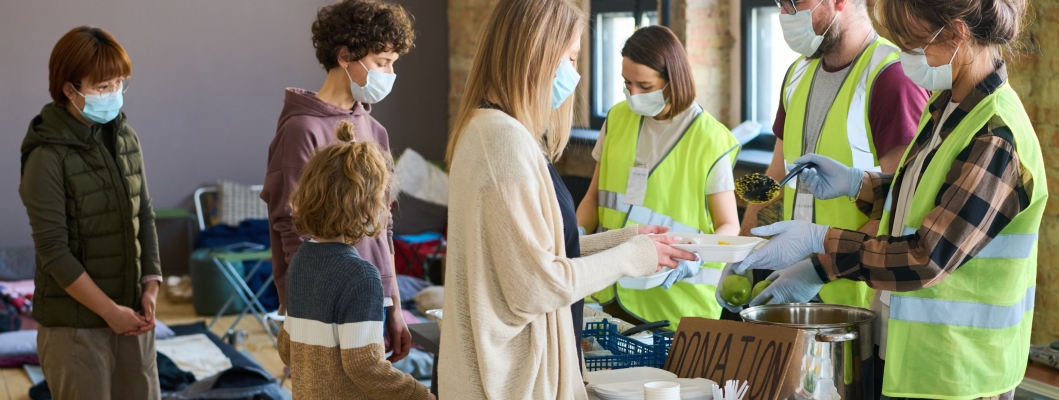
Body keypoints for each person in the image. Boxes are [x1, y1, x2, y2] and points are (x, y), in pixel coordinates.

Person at [741, 0, 1043, 397]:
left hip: (959, 372)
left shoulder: (994, 136)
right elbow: (925, 196)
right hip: (916, 359)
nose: (905, 57)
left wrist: (822, 243)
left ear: (956, 34)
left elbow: (925, 255)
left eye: (914, 44)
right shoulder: (947, 107)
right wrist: (859, 184)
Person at [437, 0, 698, 397]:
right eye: (571, 57)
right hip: (510, 384)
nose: (574, 74)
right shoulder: (504, 143)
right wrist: (630, 258)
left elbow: (527, 254)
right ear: (536, 52)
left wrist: (622, 241)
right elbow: (534, 285)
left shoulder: (483, 128)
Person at [723, 0, 929, 314]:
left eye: (794, 3)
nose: (784, 15)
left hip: (850, 302)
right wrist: (744, 253)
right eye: (780, 4)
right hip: (783, 289)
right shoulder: (796, 74)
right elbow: (775, 179)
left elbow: (899, 211)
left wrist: (817, 270)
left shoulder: (892, 78)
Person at [261, 0, 415, 363]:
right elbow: (291, 225)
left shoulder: (375, 130)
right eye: (382, 63)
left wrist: (393, 305)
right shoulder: (301, 129)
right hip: (322, 306)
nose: (390, 74)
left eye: (393, 65)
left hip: (370, 298)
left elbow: (384, 227)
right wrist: (305, 312)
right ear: (346, 55)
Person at [19, 26, 160, 399]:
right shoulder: (46, 157)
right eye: (101, 87)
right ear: (70, 89)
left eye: (119, 84)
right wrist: (109, 312)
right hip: (75, 326)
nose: (113, 95)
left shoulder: (125, 137)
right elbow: (54, 251)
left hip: (133, 316)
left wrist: (151, 283)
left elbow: (143, 212)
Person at [576, 26, 740, 330]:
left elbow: (729, 225)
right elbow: (593, 197)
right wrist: (573, 237)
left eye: (645, 85)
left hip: (675, 307)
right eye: (627, 84)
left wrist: (698, 258)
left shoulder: (709, 138)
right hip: (608, 292)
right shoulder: (617, 118)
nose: (633, 94)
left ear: (672, 80)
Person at [277, 120, 434, 400]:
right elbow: (365, 366)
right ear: (366, 207)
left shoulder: (301, 261)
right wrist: (420, 394)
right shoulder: (361, 276)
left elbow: (287, 348)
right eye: (383, 198)